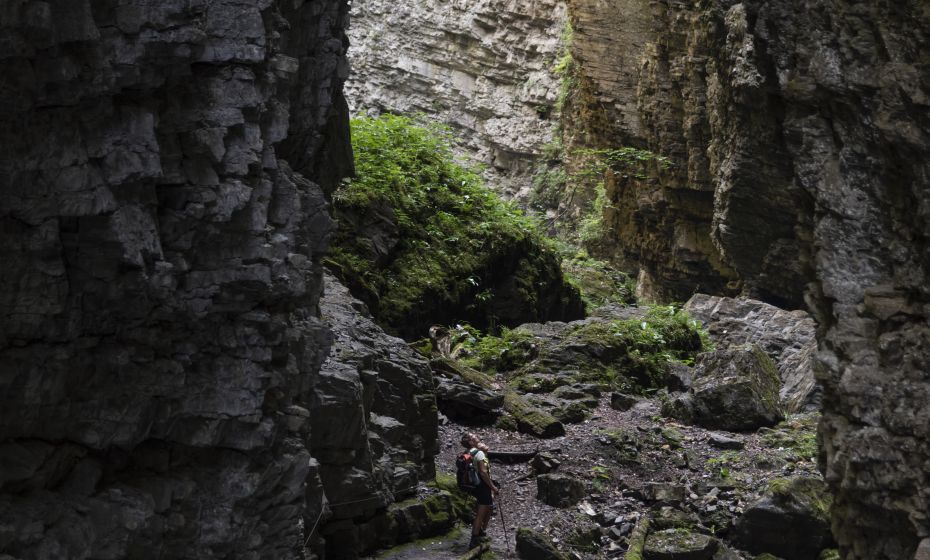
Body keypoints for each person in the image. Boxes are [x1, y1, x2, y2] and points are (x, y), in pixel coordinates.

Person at [461, 432, 499, 549]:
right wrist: (493, 487)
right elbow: (483, 472)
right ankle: (474, 538)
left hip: (475, 485)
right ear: (471, 442)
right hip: (482, 486)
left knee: (487, 507)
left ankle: (480, 531)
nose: (477, 437)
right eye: (474, 437)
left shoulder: (467, 453)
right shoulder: (479, 453)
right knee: (481, 512)